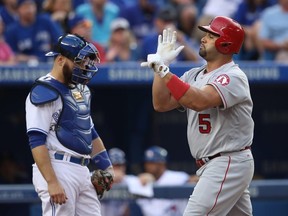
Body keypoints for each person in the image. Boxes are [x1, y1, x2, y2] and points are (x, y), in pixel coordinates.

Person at [141, 16, 255, 215]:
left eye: (211, 36)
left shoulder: (234, 76)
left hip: (227, 160)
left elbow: (199, 101)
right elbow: (161, 104)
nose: (203, 38)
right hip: (215, 163)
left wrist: (164, 71)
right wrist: (160, 72)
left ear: (226, 43)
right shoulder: (194, 74)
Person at [25, 34, 114, 216]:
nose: (85, 67)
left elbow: (89, 131)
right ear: (60, 60)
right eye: (80, 62)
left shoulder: (82, 90)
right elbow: (36, 140)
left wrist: (107, 167)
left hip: (83, 169)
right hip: (57, 166)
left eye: (86, 63)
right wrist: (52, 182)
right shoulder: (44, 90)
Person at [137, 145, 190, 216]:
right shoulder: (142, 180)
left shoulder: (177, 177)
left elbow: (193, 179)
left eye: (152, 163)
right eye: (147, 163)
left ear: (162, 163)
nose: (148, 166)